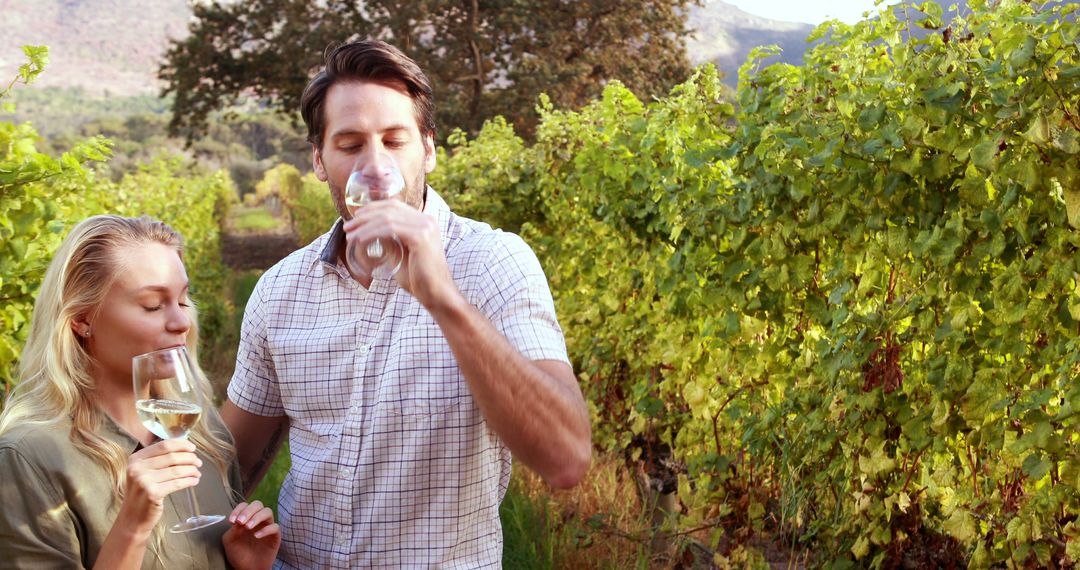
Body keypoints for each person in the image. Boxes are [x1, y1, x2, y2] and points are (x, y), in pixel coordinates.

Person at [222, 40, 592, 567]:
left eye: (394, 141)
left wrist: (445, 301)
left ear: (429, 149)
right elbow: (230, 463)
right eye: (349, 145)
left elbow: (567, 459)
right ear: (318, 161)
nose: (374, 167)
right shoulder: (280, 288)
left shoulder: (494, 264)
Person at [0, 215, 281, 569]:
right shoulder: (29, 457)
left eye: (182, 300)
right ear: (82, 318)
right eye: (152, 305)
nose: (181, 322)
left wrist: (245, 565)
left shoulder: (201, 428)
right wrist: (132, 526)